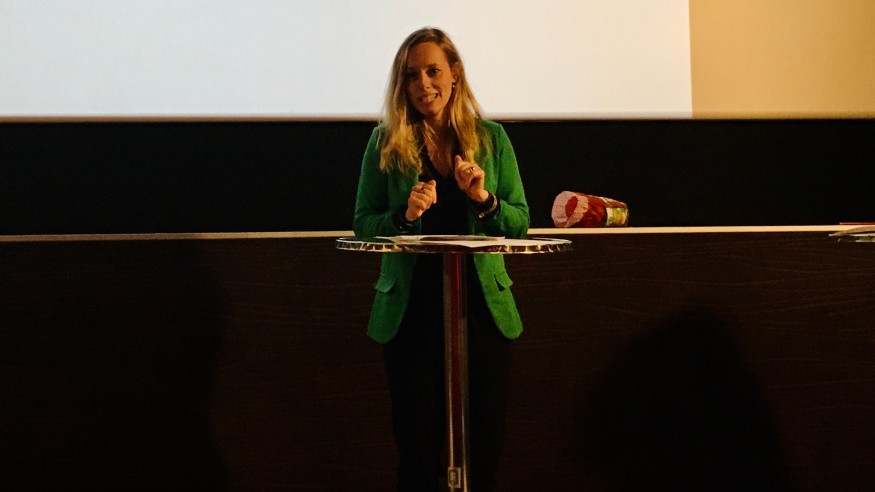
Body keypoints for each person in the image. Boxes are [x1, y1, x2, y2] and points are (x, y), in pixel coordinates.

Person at [352, 27, 529, 491]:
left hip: (480, 310)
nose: (423, 84)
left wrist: (484, 198)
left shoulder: (491, 139)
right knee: (417, 453)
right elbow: (363, 223)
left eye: (433, 71)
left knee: (484, 451)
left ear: (455, 75)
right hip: (412, 311)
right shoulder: (385, 142)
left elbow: (519, 222)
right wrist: (404, 216)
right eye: (412, 75)